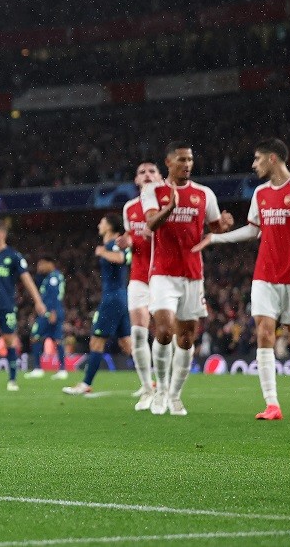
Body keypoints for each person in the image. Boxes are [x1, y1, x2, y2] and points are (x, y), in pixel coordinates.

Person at [193, 138, 290, 419]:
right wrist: (216, 238)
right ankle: (272, 404)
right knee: (264, 332)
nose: (253, 165)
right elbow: (253, 230)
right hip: (265, 274)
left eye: (257, 159)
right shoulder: (260, 194)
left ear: (272, 158)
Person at [141, 142, 233, 416]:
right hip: (162, 273)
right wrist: (169, 209)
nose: (187, 164)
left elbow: (215, 227)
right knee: (164, 331)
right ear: (168, 162)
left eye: (190, 159)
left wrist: (224, 225)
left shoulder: (204, 194)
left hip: (192, 274)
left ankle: (175, 395)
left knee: (186, 339)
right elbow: (150, 224)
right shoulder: (153, 191)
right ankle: (159, 391)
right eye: (182, 159)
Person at [0, 220, 48, 392]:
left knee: (9, 340)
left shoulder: (13, 256)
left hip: (7, 306)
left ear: (1, 234)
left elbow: (26, 279)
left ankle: (12, 380)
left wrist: (38, 301)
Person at [64, 214, 133, 395]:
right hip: (119, 297)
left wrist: (103, 253)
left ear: (110, 226)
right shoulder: (112, 244)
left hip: (112, 299)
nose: (99, 224)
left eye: (102, 222)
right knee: (127, 344)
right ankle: (150, 382)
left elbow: (122, 258)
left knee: (96, 341)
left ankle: (86, 383)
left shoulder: (114, 244)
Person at [119, 161, 162, 410]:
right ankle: (147, 388)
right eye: (142, 172)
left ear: (160, 177)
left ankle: (164, 387)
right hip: (138, 276)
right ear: (136, 180)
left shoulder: (169, 204)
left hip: (166, 276)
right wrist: (126, 242)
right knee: (138, 334)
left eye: (151, 171)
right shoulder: (129, 208)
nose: (147, 175)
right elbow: (131, 240)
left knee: (166, 334)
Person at [25, 256, 67, 379]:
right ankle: (62, 369)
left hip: (50, 312)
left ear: (50, 263)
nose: (40, 267)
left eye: (42, 264)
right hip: (53, 311)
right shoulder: (51, 277)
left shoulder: (53, 277)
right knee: (57, 339)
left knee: (35, 337)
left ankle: (38, 368)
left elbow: (54, 296)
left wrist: (53, 312)